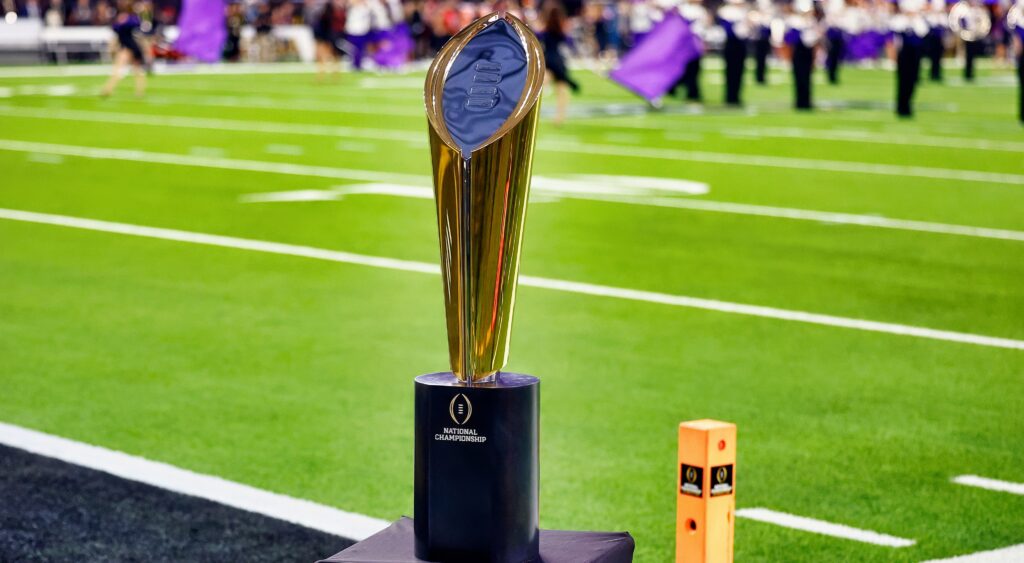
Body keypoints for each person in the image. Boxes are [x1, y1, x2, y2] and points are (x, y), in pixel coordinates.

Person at [542, 1, 580, 125]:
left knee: (541, 84)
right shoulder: (561, 31)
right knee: (562, 89)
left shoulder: (545, 30)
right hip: (558, 61)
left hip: (548, 59)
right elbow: (570, 43)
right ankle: (560, 117)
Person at [100, 0, 147, 97]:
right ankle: (108, 89)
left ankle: (108, 90)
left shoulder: (131, 18)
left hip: (129, 47)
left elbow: (136, 25)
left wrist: (123, 21)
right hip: (125, 46)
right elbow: (115, 28)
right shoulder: (120, 18)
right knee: (132, 70)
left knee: (132, 70)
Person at [892, 0, 928, 117]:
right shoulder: (899, 20)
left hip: (915, 53)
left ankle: (908, 105)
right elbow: (895, 28)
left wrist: (914, 17)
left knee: (912, 79)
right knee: (902, 80)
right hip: (903, 53)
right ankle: (901, 106)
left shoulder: (919, 21)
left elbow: (922, 32)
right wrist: (907, 17)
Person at [787, 0, 819, 109]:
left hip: (808, 52)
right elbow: (789, 39)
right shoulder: (794, 21)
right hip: (798, 52)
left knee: (808, 77)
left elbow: (814, 39)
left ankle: (807, 101)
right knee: (799, 76)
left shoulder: (811, 22)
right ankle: (800, 101)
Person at [717, 0, 750, 106]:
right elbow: (728, 30)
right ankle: (730, 96)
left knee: (739, 71)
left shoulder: (744, 11)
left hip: (741, 44)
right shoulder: (725, 11)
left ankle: (736, 96)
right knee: (731, 70)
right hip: (731, 43)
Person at [677, 0, 707, 101]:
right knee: (685, 68)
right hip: (685, 44)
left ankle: (692, 91)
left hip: (695, 45)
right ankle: (686, 89)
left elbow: (703, 28)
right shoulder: (682, 9)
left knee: (695, 69)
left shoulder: (701, 10)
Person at [313, 0, 345, 80]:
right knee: (329, 56)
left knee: (330, 56)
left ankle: (326, 75)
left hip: (330, 36)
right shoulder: (330, 12)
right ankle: (327, 74)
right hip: (328, 35)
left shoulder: (335, 11)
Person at [824, 0, 846, 84]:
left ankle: (834, 75)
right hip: (831, 30)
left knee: (836, 55)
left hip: (838, 30)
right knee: (831, 54)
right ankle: (830, 75)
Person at [924, 0, 946, 81]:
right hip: (931, 27)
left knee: (938, 53)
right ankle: (932, 73)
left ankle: (936, 73)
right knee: (931, 53)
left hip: (939, 27)